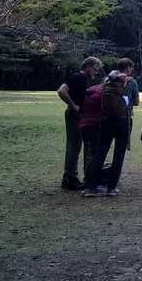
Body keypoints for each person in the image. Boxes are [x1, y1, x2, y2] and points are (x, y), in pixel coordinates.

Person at [83, 70, 131, 197]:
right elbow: (134, 102)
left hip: (106, 121)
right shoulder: (126, 86)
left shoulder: (105, 87)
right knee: (118, 155)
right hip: (121, 122)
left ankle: (91, 187)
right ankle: (111, 188)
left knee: (100, 154)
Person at [57, 56, 102, 190]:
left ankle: (80, 177)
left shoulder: (84, 79)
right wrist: (73, 105)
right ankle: (69, 179)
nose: (96, 72)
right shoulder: (78, 77)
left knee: (80, 146)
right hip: (74, 115)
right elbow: (61, 91)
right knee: (74, 146)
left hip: (81, 116)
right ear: (88, 66)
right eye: (95, 69)